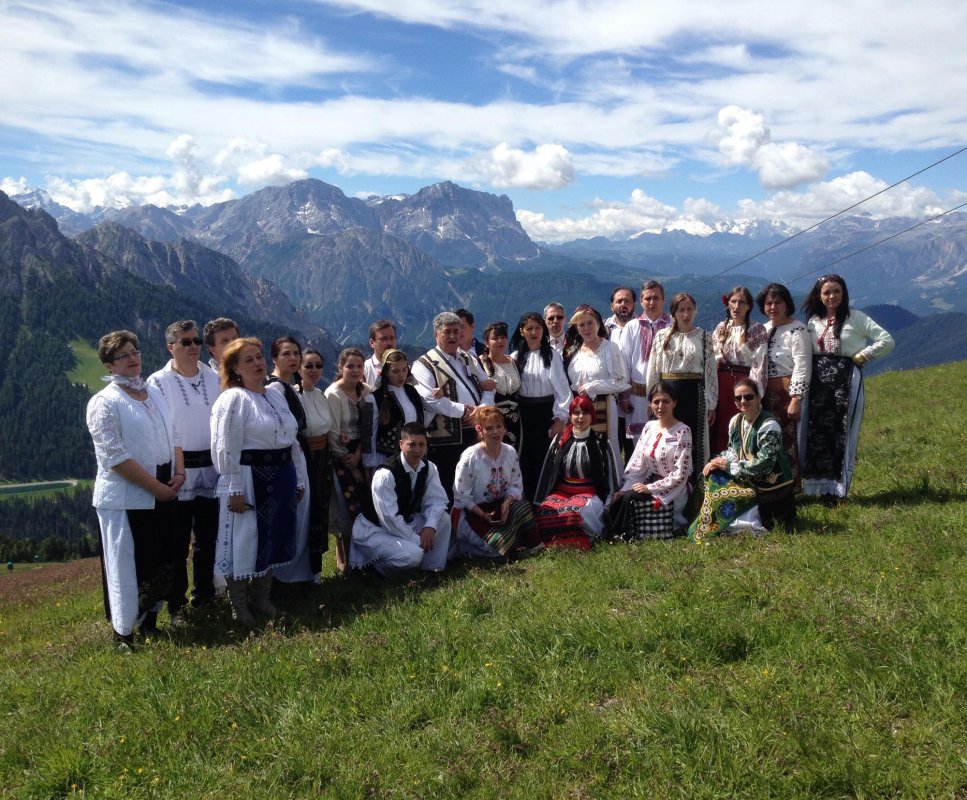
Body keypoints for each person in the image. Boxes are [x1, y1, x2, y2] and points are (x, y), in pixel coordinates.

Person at [87, 330, 182, 648]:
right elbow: (115, 457)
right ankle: (123, 632)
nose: (133, 359)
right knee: (127, 563)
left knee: (161, 557)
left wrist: (179, 473)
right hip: (128, 497)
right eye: (123, 356)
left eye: (135, 352)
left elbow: (174, 434)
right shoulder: (105, 402)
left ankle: (150, 622)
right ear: (109, 365)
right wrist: (156, 488)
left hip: (163, 489)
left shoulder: (152, 393)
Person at [211, 338, 305, 626]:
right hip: (250, 478)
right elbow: (224, 446)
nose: (257, 363)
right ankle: (239, 607)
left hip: (281, 475)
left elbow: (291, 441)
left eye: (259, 357)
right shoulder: (233, 399)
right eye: (248, 359)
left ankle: (263, 600)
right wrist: (234, 488)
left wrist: (298, 478)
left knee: (272, 536)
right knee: (244, 539)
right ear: (235, 368)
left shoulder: (274, 395)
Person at [146, 319, 221, 616]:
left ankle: (205, 595)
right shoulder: (157, 383)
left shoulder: (214, 378)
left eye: (197, 341)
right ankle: (177, 603)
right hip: (179, 469)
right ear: (171, 347)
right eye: (185, 342)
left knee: (208, 537)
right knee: (176, 542)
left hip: (212, 467)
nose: (193, 347)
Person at [801, 274, 894, 499]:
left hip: (846, 380)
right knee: (815, 431)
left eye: (836, 292)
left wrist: (863, 355)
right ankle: (813, 489)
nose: (832, 296)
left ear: (844, 294)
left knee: (842, 431)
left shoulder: (857, 318)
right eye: (826, 292)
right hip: (817, 384)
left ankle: (838, 489)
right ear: (819, 296)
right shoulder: (814, 320)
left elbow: (887, 340)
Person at [688, 378, 795, 542]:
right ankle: (699, 522)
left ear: (759, 397)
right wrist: (717, 461)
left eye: (748, 397)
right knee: (709, 478)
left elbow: (764, 465)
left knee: (724, 494)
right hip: (746, 476)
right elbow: (733, 451)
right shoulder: (735, 421)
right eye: (738, 398)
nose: (743, 401)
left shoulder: (769, 425)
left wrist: (729, 467)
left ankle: (731, 526)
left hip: (769, 486)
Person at [412, 311, 495, 504]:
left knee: (478, 483)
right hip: (446, 440)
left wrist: (482, 409)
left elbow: (489, 386)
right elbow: (429, 399)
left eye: (456, 332)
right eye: (447, 332)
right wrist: (463, 411)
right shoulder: (423, 365)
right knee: (449, 487)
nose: (452, 336)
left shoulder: (468, 358)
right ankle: (451, 528)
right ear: (436, 335)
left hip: (475, 433)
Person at [350, 422, 451, 575]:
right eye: (412, 445)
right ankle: (375, 569)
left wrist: (430, 526)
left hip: (404, 522)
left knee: (443, 519)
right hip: (375, 529)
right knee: (412, 555)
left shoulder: (429, 468)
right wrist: (418, 541)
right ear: (401, 444)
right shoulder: (385, 474)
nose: (417, 450)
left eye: (421, 445)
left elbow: (437, 500)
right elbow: (389, 519)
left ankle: (432, 569)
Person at [451, 406, 542, 559]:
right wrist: (483, 515)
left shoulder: (510, 452)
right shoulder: (470, 457)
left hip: (498, 509)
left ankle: (528, 545)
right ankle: (467, 548)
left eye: (499, 426)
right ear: (480, 430)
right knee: (496, 551)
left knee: (523, 507)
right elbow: (461, 497)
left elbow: (515, 484)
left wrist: (507, 502)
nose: (496, 432)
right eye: (489, 428)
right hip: (473, 514)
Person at [646, 292, 716, 486]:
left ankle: (695, 486)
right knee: (670, 440)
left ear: (695, 311)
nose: (686, 314)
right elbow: (654, 369)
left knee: (694, 441)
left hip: (695, 396)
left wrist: (712, 402)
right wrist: (651, 398)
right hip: (668, 395)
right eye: (681, 310)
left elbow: (710, 372)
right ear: (674, 313)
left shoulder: (703, 337)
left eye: (689, 309)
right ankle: (667, 484)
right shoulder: (662, 336)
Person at [533, 396, 621, 550]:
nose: (581, 417)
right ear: (570, 415)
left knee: (578, 512)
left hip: (589, 492)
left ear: (592, 416)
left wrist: (609, 504)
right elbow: (547, 472)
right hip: (562, 491)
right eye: (576, 413)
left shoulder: (601, 442)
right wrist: (540, 501)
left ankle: (579, 542)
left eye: (585, 413)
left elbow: (611, 475)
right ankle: (556, 544)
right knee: (546, 511)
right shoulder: (559, 441)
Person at [608, 382, 692, 540]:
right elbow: (637, 465)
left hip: (674, 490)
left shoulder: (683, 431)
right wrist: (626, 489)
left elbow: (680, 474)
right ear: (650, 404)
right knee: (622, 497)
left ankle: (618, 533)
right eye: (656, 402)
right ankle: (614, 532)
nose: (661, 406)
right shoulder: (649, 427)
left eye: (666, 401)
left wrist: (650, 488)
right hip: (647, 484)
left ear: (674, 403)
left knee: (630, 500)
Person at [752, 283, 811, 492]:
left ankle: (793, 488)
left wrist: (796, 398)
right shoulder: (762, 330)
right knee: (769, 439)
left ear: (787, 304)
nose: (773, 307)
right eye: (769, 303)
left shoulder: (797, 329)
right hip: (766, 393)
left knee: (789, 440)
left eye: (778, 302)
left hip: (787, 391)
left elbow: (803, 364)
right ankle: (772, 486)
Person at [266, 336, 314, 586]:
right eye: (286, 354)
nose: (293, 358)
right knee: (295, 514)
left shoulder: (289, 385)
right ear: (274, 358)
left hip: (299, 452)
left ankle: (296, 573)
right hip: (289, 454)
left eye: (296, 353)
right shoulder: (275, 388)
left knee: (302, 514)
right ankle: (287, 576)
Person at [509, 312, 572, 500]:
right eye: (529, 328)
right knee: (524, 458)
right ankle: (525, 500)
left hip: (546, 414)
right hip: (523, 416)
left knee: (546, 458)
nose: (534, 332)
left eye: (537, 328)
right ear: (522, 331)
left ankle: (545, 498)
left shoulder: (551, 356)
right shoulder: (514, 357)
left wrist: (560, 418)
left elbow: (562, 390)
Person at [325, 347, 373, 570]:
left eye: (359, 366)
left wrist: (359, 454)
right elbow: (333, 434)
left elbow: (370, 428)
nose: (355, 370)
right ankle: (344, 561)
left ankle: (362, 556)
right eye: (350, 366)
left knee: (363, 504)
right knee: (346, 506)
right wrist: (350, 461)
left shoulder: (367, 391)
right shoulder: (333, 394)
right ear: (340, 368)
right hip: (341, 457)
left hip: (362, 451)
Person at [294, 349, 339, 576]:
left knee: (320, 509)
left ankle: (315, 571)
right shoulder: (294, 395)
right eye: (308, 365)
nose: (314, 370)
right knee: (306, 511)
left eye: (318, 366)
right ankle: (299, 570)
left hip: (323, 457)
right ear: (299, 367)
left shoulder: (320, 394)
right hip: (305, 458)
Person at [710, 287, 768, 454]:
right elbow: (712, 360)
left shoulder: (757, 330)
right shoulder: (721, 328)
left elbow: (760, 363)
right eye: (733, 301)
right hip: (721, 384)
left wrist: (756, 395)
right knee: (719, 427)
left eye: (741, 302)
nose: (736, 306)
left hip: (744, 384)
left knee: (741, 426)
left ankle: (741, 468)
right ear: (728, 304)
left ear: (748, 306)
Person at [564, 304, 630, 450]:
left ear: (598, 324)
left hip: (604, 405)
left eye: (590, 323)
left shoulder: (610, 348)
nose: (586, 328)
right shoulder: (573, 352)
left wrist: (593, 386)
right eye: (581, 325)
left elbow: (621, 382)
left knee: (605, 447)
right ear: (576, 327)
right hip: (579, 410)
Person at [620, 280, 672, 445]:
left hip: (664, 396)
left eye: (656, 298)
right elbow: (623, 362)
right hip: (637, 396)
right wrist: (624, 396)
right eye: (647, 298)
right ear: (641, 302)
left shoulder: (671, 327)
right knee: (639, 445)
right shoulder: (632, 327)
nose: (652, 302)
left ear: (663, 300)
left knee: (664, 441)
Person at [364, 348, 432, 468]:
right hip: (388, 458)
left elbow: (422, 418)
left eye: (404, 370)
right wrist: (370, 464)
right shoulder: (374, 398)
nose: (401, 375)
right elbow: (369, 435)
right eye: (395, 371)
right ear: (385, 372)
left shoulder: (412, 391)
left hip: (415, 455)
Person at [605, 286, 637, 462]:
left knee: (634, 444)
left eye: (627, 301)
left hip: (636, 396)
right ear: (612, 306)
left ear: (634, 304)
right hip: (612, 397)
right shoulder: (604, 329)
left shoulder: (641, 327)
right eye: (619, 301)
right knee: (614, 442)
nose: (623, 304)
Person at [478, 321, 521, 449]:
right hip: (492, 422)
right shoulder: (481, 363)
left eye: (503, 337)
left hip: (516, 421)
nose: (500, 341)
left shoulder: (513, 361)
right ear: (487, 343)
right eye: (495, 338)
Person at [364, 320, 398, 386]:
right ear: (372, 343)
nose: (389, 343)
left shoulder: (404, 368)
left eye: (392, 338)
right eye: (383, 339)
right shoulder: (365, 369)